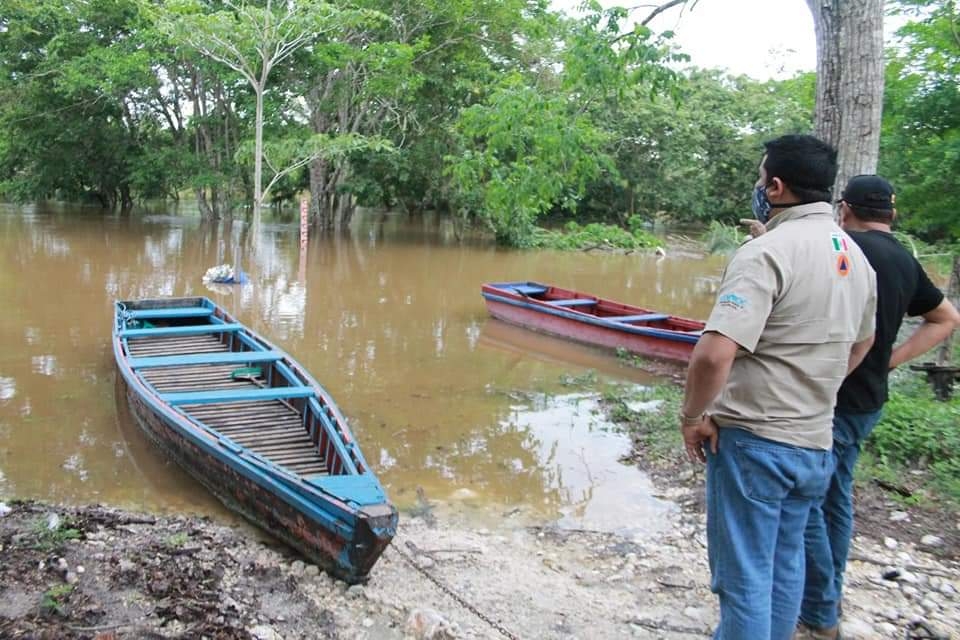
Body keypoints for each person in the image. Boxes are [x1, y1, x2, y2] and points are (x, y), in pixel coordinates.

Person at [680, 134, 877, 640]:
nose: (757, 186)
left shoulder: (765, 252)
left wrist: (693, 417)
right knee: (785, 564)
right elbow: (864, 342)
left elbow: (713, 354)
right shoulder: (856, 258)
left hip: (754, 443)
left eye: (760, 177)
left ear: (776, 186)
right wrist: (815, 386)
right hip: (814, 443)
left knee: (743, 579)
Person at [796, 176, 960, 640]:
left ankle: (820, 612)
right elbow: (946, 319)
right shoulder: (905, 259)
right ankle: (828, 593)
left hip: (832, 399)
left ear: (843, 209)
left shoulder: (842, 251)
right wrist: (888, 361)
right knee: (835, 497)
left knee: (807, 500)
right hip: (868, 400)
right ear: (892, 214)